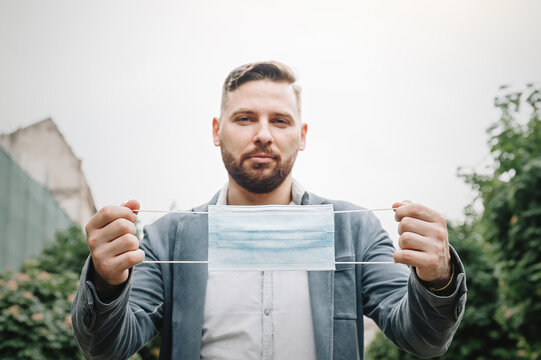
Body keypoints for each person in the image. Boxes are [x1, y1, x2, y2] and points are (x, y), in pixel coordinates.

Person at [72, 61, 467, 360]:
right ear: (216, 130)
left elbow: (423, 339)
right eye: (245, 118)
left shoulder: (355, 231)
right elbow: (106, 348)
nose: (263, 134)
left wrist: (438, 279)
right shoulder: (168, 238)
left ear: (302, 135)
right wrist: (106, 284)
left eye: (280, 121)